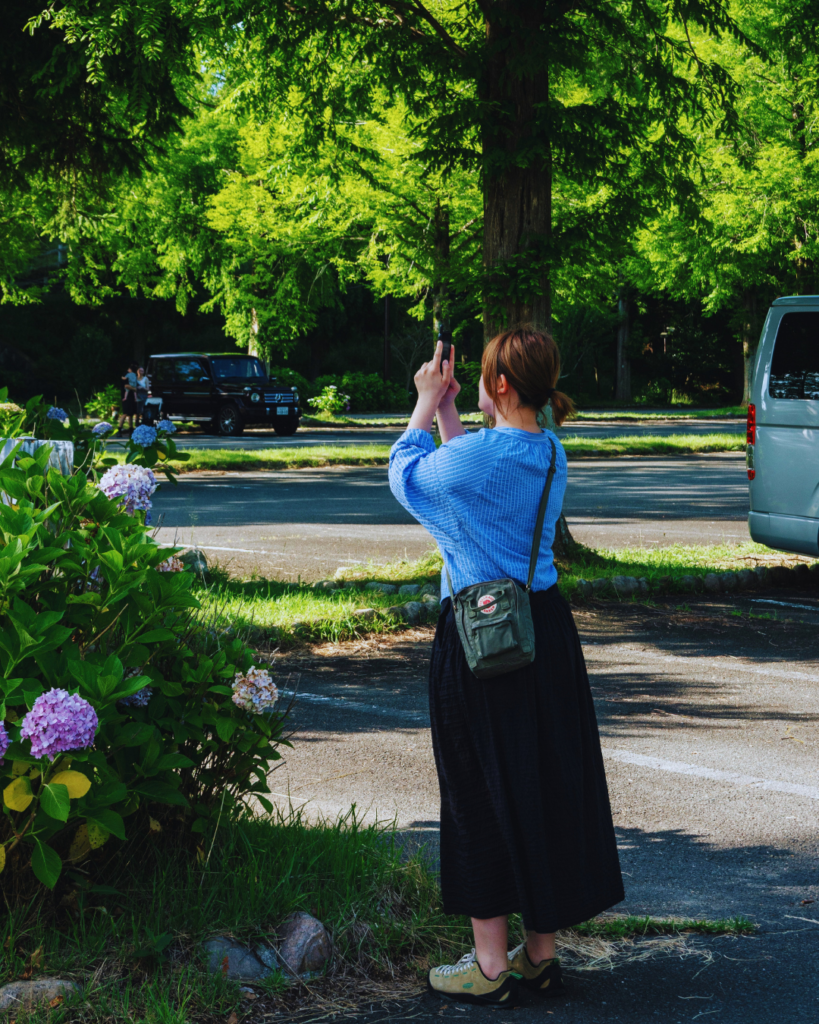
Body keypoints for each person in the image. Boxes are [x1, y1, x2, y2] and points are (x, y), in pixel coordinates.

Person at [388, 328, 624, 1008]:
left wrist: (424, 402)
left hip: (480, 637)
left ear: (497, 384)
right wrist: (452, 413)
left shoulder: (485, 457)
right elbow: (469, 472)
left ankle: (488, 966)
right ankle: (537, 955)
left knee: (475, 788)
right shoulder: (548, 450)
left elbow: (407, 478)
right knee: (539, 782)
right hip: (543, 630)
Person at [116, 363, 139, 436]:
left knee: (131, 414)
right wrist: (135, 389)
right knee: (125, 413)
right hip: (126, 396)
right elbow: (126, 385)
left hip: (132, 396)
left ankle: (131, 430)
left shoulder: (133, 375)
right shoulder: (126, 374)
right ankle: (119, 429)